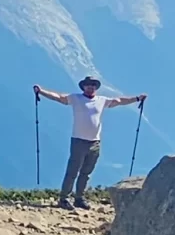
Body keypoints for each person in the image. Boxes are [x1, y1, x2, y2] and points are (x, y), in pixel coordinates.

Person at [33, 76, 147, 208]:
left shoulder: (102, 100)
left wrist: (137, 98)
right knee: (73, 171)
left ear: (96, 87)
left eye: (93, 85)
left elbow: (120, 100)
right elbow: (59, 97)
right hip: (79, 141)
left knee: (86, 172)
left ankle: (79, 198)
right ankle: (64, 198)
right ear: (83, 87)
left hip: (95, 142)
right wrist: (41, 91)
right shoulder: (75, 98)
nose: (90, 87)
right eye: (88, 85)